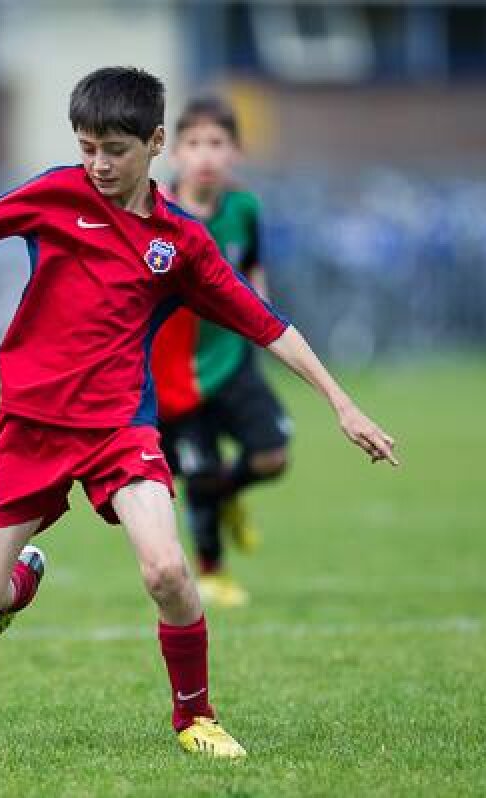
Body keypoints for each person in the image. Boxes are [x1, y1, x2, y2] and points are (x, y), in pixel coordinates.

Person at [0, 67, 396, 758]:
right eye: (86, 146)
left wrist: (342, 403)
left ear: (154, 145)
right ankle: (25, 571)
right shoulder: (57, 194)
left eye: (113, 150)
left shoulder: (181, 244)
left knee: (167, 572)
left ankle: (195, 718)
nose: (97, 164)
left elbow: (266, 324)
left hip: (121, 430)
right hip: (29, 431)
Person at [150, 96, 290, 608]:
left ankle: (230, 496)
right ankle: (211, 572)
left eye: (217, 143)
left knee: (273, 457)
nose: (205, 155)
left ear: (236, 152)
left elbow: (252, 267)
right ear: (173, 152)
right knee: (199, 471)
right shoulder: (154, 209)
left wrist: (265, 321)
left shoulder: (245, 208)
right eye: (194, 144)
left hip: (231, 358)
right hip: (173, 373)